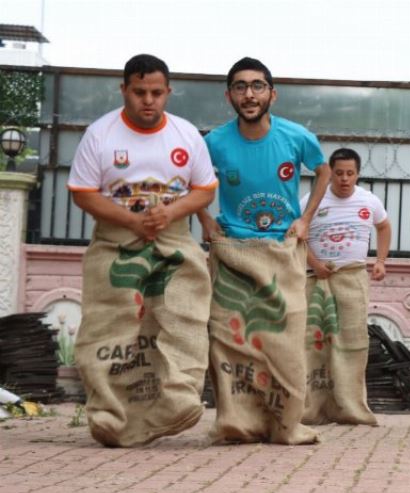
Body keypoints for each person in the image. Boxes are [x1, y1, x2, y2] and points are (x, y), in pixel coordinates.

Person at [67, 54, 218, 447]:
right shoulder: (101, 134)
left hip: (174, 238)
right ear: (124, 91)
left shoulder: (185, 135)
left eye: (155, 92)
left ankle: (178, 402)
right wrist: (132, 220)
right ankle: (110, 417)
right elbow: (82, 192)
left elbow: (205, 188)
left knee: (184, 318)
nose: (147, 101)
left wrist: (168, 212)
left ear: (168, 92)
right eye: (139, 92)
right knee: (108, 325)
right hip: (115, 240)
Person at [198, 57, 330, 444]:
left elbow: (322, 170)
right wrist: (206, 221)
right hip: (233, 250)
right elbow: (191, 182)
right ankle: (237, 422)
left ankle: (285, 423)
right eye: (240, 87)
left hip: (281, 251)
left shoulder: (295, 137)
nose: (249, 94)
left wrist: (305, 219)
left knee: (284, 338)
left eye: (257, 86)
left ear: (272, 93)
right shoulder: (214, 142)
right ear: (229, 96)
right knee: (228, 338)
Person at [301, 147, 391, 426]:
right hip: (317, 279)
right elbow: (296, 236)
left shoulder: (369, 201)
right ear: (330, 174)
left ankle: (350, 407)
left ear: (358, 174)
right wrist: (315, 264)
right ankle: (312, 408)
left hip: (352, 279)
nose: (344, 179)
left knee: (352, 342)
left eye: (350, 173)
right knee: (313, 342)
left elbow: (384, 226)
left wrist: (381, 260)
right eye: (338, 173)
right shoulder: (312, 200)